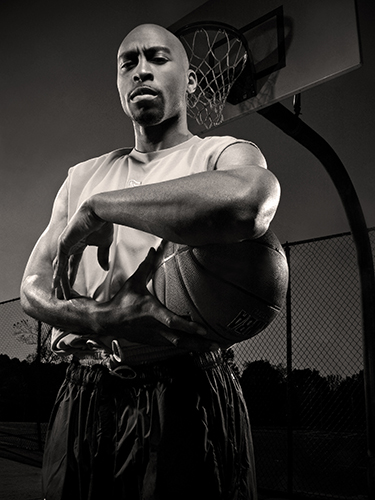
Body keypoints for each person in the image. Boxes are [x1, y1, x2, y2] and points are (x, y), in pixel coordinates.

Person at [20, 23, 281, 500]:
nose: (141, 70)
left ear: (192, 80)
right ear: (119, 84)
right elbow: (32, 289)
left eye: (158, 59)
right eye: (128, 63)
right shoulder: (82, 175)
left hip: (185, 391)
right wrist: (99, 317)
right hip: (85, 392)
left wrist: (103, 207)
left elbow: (251, 200)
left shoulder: (220, 153)